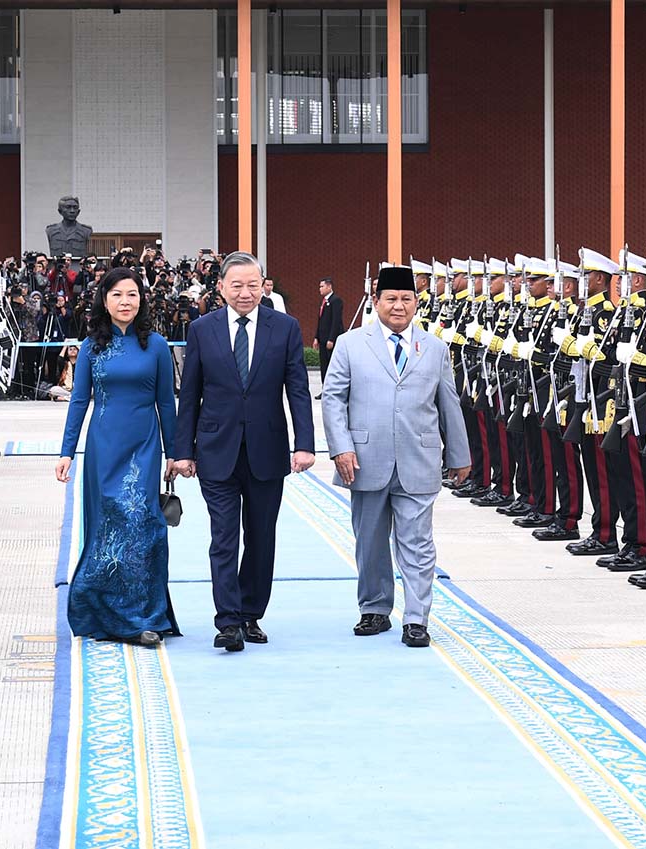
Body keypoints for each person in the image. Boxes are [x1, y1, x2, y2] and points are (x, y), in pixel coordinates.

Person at [172, 252, 315, 652]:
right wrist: (182, 450)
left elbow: (298, 389)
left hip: (268, 451)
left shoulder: (284, 328)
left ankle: (251, 612)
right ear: (220, 288)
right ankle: (228, 620)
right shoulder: (202, 330)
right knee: (223, 538)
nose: (246, 292)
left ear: (264, 285)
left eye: (253, 284)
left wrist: (305, 444)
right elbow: (190, 395)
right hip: (216, 450)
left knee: (261, 537)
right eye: (236, 285)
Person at [321, 265, 470, 648]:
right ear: (376, 302)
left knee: (418, 543)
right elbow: (334, 399)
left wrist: (459, 453)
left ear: (416, 303)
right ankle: (374, 608)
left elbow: (448, 404)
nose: (399, 306)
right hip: (365, 459)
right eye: (391, 299)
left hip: (418, 460)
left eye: (406, 299)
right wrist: (340, 447)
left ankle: (416, 618)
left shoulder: (435, 347)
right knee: (369, 540)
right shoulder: (351, 343)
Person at [56, 268, 179, 646]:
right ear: (104, 301)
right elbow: (79, 401)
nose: (125, 302)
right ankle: (106, 612)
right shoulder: (92, 346)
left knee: (144, 526)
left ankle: (145, 615)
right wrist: (66, 452)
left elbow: (166, 402)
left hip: (144, 447)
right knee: (109, 525)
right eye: (117, 295)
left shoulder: (156, 345)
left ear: (141, 299)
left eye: (132, 295)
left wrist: (174, 453)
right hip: (102, 448)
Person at [314, 277, 344, 398]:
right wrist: (316, 337)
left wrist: (331, 339)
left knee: (332, 365)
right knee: (324, 365)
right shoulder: (323, 301)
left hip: (331, 339)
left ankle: (333, 389)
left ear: (329, 286)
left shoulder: (336, 300)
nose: (320, 289)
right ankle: (325, 389)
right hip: (322, 338)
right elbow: (320, 321)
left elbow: (336, 321)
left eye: (322, 286)